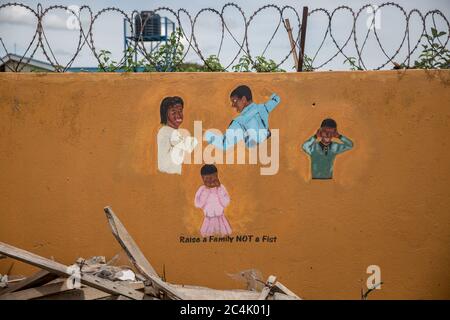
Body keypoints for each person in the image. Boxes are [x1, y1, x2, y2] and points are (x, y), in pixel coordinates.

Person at [205, 85, 281, 150]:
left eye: (234, 101)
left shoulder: (239, 121)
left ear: (244, 99)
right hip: (265, 135)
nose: (232, 105)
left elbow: (224, 145)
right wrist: (267, 92)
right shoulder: (263, 107)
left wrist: (206, 134)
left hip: (253, 144)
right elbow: (276, 99)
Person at [157, 96, 197, 174]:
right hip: (168, 175)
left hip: (171, 174)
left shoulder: (169, 131)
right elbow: (189, 146)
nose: (178, 115)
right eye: (173, 112)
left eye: (180, 111)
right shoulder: (167, 131)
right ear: (165, 114)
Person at [194, 164, 232, 237]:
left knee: (223, 236)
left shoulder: (221, 188)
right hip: (208, 220)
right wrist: (206, 191)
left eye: (213, 177)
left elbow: (226, 203)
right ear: (202, 178)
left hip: (221, 218)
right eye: (207, 178)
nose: (211, 181)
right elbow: (198, 204)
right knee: (207, 236)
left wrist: (219, 189)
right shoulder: (202, 189)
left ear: (217, 176)